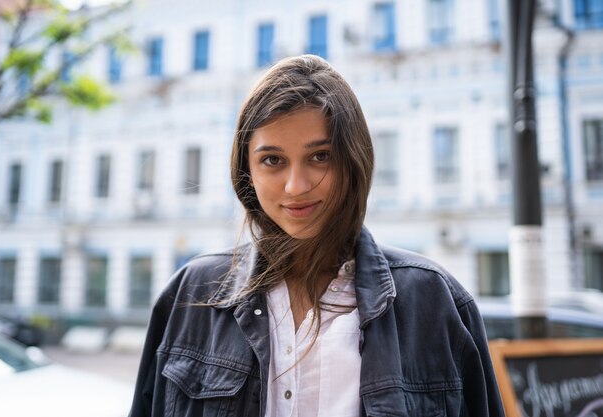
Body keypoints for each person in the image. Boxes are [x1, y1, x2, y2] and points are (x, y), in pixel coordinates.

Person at [129, 55, 505, 417]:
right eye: (273, 160)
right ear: (247, 170)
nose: (296, 186)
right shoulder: (192, 293)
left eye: (320, 156)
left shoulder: (435, 301)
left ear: (353, 159)